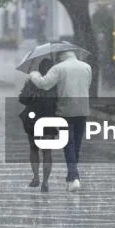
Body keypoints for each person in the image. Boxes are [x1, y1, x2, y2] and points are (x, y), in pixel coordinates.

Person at [29, 49, 92, 193]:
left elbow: (44, 84)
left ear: (59, 56)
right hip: (82, 109)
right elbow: (87, 86)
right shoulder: (86, 67)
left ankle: (74, 177)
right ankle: (72, 178)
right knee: (76, 145)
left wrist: (34, 74)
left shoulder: (58, 68)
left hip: (66, 110)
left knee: (68, 144)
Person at [19, 58, 57, 193]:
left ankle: (36, 177)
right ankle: (45, 182)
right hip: (50, 118)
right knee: (47, 151)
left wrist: (31, 94)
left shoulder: (32, 81)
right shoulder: (55, 82)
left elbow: (22, 99)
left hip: (33, 119)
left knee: (34, 148)